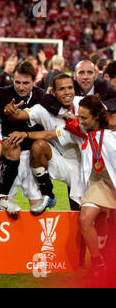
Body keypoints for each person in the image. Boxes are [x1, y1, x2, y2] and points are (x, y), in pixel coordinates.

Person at [50, 95, 115, 276]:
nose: (81, 121)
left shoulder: (111, 138)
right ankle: (97, 262)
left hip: (113, 184)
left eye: (84, 118)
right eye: (79, 116)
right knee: (86, 219)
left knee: (105, 223)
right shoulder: (87, 135)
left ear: (96, 117)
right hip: (98, 184)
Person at [4, 73, 82, 215]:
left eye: (70, 88)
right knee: (38, 146)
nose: (67, 92)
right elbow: (19, 116)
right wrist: (10, 111)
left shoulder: (82, 104)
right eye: (62, 89)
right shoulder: (43, 109)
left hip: (85, 165)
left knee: (81, 211)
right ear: (53, 91)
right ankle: (48, 194)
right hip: (61, 162)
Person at [0, 61, 45, 215]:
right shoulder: (1, 94)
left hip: (32, 157)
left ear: (34, 81)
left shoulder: (42, 96)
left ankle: (35, 239)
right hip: (10, 157)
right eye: (17, 82)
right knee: (1, 206)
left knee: (38, 206)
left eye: (26, 83)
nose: (21, 87)